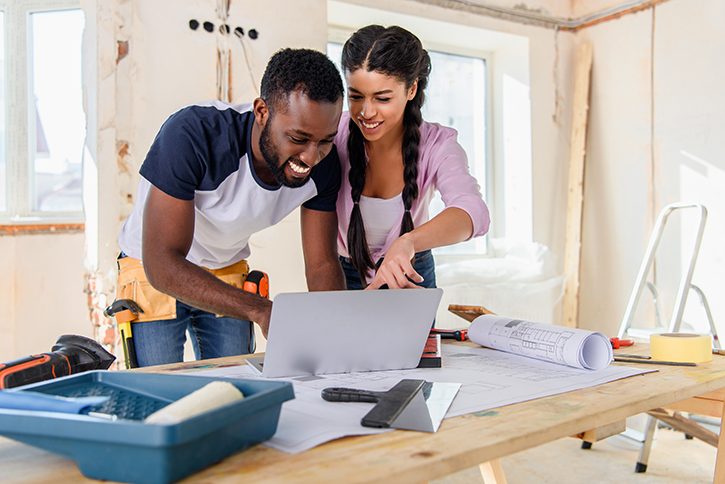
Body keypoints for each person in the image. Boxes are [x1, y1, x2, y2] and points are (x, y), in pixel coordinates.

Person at [115, 48, 346, 367]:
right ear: (262, 112)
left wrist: (337, 334)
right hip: (152, 266)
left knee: (234, 388)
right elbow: (162, 261)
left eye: (325, 140)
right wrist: (260, 309)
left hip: (225, 266)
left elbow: (322, 264)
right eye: (298, 138)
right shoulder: (192, 134)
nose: (310, 157)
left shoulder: (325, 165)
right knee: (159, 391)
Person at [335, 25, 490, 291]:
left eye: (382, 98)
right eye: (355, 96)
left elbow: (474, 212)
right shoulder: (333, 133)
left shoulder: (438, 144)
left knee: (421, 336)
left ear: (411, 89)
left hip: (410, 270)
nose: (366, 112)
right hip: (343, 271)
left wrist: (409, 242)